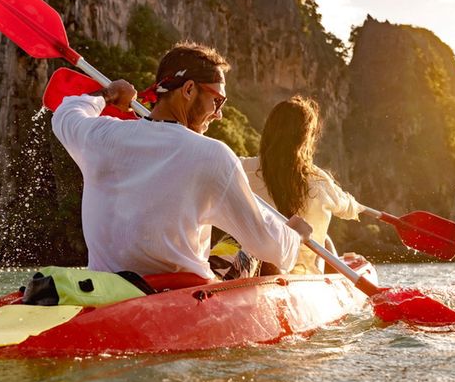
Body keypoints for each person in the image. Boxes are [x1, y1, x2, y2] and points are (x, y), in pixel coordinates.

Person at [51, 42, 311, 279]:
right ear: (188, 90)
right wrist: (294, 236)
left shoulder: (101, 136)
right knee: (249, 241)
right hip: (180, 298)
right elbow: (267, 245)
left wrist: (108, 94)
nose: (218, 114)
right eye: (217, 101)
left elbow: (65, 114)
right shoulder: (214, 156)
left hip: (106, 291)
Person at [240, 96, 364, 274]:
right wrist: (357, 206)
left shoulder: (241, 169)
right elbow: (348, 208)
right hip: (301, 280)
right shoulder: (320, 181)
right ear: (306, 139)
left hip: (255, 273)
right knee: (326, 242)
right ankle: (339, 285)